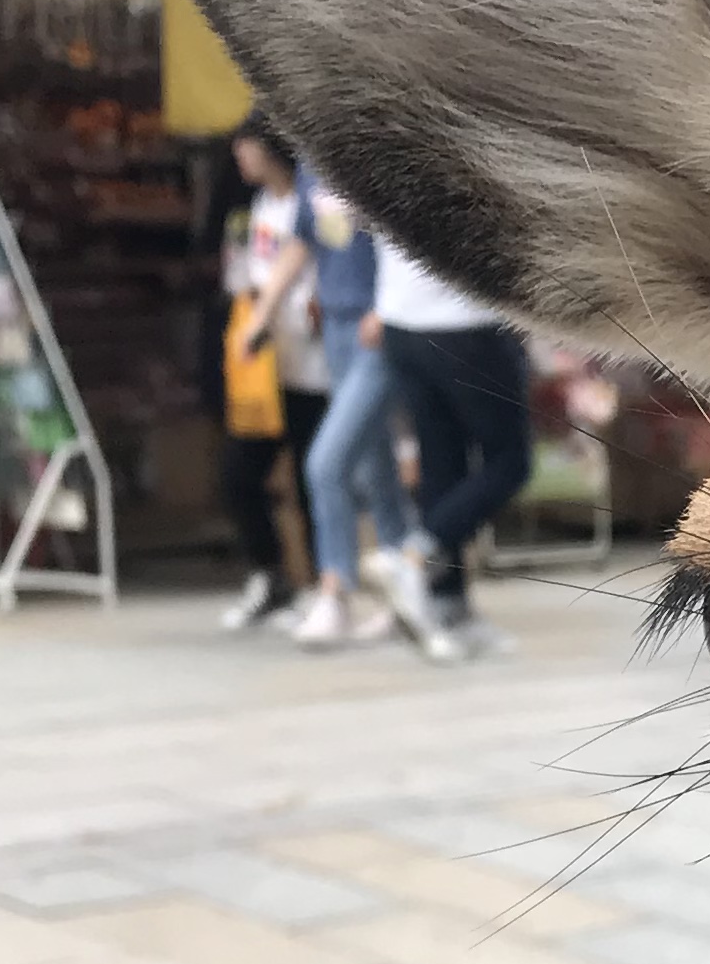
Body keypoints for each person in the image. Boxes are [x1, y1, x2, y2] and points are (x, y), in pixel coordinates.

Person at [269, 164, 417, 646]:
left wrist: (385, 307)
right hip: (334, 329)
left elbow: (408, 239)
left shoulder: (367, 151)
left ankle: (335, 588)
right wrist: (264, 311)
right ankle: (409, 591)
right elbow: (303, 242)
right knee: (376, 467)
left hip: (379, 331)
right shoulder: (310, 165)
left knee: (327, 462)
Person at [373, 232, 533, 665]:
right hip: (465, 324)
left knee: (442, 464)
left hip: (401, 322)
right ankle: (419, 552)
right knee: (510, 462)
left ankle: (448, 603)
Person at [214, 125, 327, 631]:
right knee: (240, 474)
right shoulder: (257, 207)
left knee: (312, 477)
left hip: (312, 364)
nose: (241, 153)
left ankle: (326, 585)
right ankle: (270, 574)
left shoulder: (308, 203)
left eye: (248, 143)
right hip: (263, 368)